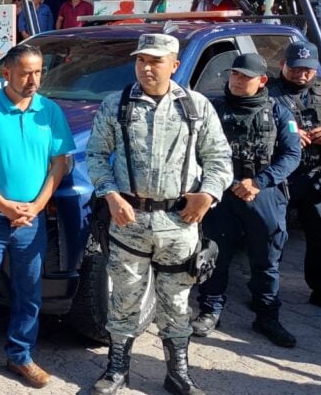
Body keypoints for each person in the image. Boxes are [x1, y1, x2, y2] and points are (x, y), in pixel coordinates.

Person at [86, 33, 232, 395]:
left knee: (177, 301)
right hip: (129, 221)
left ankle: (177, 372)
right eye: (141, 60)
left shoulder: (195, 107)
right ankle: (117, 369)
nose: (147, 67)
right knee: (124, 298)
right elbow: (95, 157)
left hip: (179, 223)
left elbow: (219, 159)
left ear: (174, 65)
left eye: (155, 61)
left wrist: (209, 195)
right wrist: (110, 196)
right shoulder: (117, 105)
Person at [0, 44, 75, 394]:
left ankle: (20, 355)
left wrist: (37, 206)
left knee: (29, 290)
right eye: (25, 72)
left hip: (31, 219)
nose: (33, 80)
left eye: (38, 72)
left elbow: (60, 163)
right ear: (6, 73)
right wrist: (3, 204)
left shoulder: (49, 112)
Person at [192, 53, 301, 348]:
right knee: (214, 256)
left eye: (246, 77)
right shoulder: (212, 109)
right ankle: (210, 310)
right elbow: (196, 151)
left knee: (266, 261)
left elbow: (292, 155)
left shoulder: (280, 112)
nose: (238, 81)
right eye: (235, 75)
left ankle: (267, 316)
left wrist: (259, 182)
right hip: (222, 193)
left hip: (262, 194)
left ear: (262, 80)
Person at [268, 41, 321, 316]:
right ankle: (266, 295)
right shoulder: (267, 93)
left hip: (317, 177)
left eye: (308, 70)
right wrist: (286, 136)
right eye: (295, 69)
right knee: (270, 238)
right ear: (283, 65)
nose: (301, 75)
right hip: (279, 178)